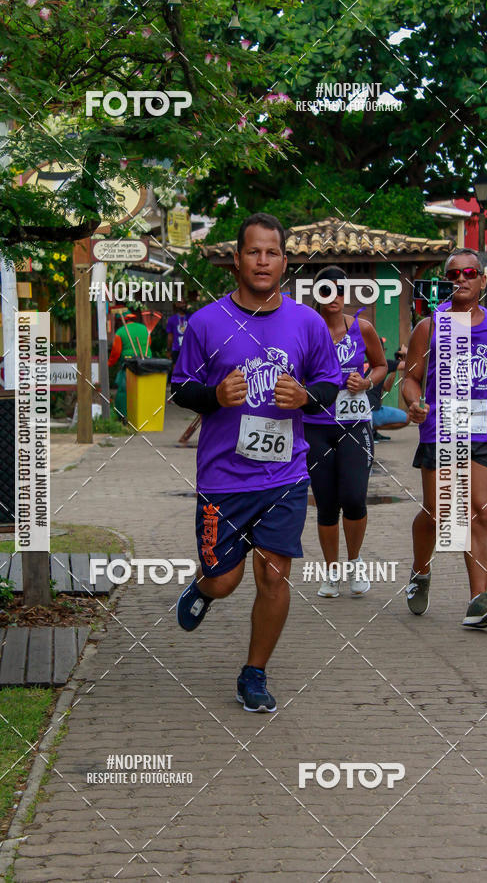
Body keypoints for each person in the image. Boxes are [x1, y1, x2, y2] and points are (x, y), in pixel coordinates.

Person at [171, 213, 342, 712]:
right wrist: (215, 394)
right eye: (253, 251)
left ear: (284, 262)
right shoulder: (206, 323)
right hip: (223, 478)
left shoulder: (307, 323)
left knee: (273, 576)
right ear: (237, 260)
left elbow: (328, 382)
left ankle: (254, 673)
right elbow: (181, 388)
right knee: (227, 580)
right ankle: (203, 586)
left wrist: (306, 397)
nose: (262, 261)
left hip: (285, 473)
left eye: (272, 252)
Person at [402, 248, 487, 628]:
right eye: (453, 275)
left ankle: (478, 600)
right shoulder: (430, 327)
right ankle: (420, 571)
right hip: (441, 429)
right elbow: (411, 378)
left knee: (481, 512)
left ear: (483, 280)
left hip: (484, 429)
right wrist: (415, 403)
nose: (462, 279)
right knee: (439, 514)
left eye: (470, 273)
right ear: (446, 282)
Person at [302, 267, 387, 598]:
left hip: (354, 425)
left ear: (345, 293)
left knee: (353, 497)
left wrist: (366, 382)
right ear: (317, 294)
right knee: (325, 503)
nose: (333, 296)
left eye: (338, 290)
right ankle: (331, 572)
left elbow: (381, 366)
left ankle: (354, 562)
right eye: (325, 290)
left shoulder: (362, 328)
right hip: (316, 427)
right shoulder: (307, 328)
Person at [108, 309, 151, 420]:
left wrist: (109, 363)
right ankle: (145, 414)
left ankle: (123, 416)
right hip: (147, 362)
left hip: (129, 365)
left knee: (124, 390)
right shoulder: (145, 329)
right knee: (144, 389)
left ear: (124, 320)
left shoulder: (121, 331)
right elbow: (149, 343)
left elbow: (116, 351)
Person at [369, 342, 409, 441]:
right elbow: (411, 365)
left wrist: (394, 367)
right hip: (372, 412)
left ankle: (370, 430)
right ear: (382, 351)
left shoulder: (361, 364)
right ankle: (371, 429)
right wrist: (407, 353)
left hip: (357, 412)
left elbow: (387, 387)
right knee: (407, 418)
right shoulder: (385, 363)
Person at [166, 299, 190, 372]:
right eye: (180, 303)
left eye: (184, 302)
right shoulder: (171, 320)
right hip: (176, 349)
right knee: (175, 368)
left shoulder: (191, 317)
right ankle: (176, 382)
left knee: (188, 368)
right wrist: (168, 350)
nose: (183, 305)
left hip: (188, 349)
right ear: (176, 304)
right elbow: (170, 336)